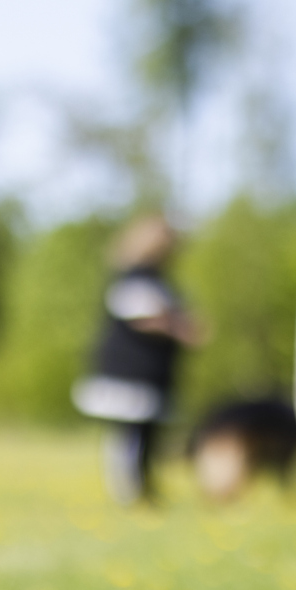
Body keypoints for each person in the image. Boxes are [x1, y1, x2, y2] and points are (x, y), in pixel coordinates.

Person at [73, 214, 204, 506]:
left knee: (146, 436)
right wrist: (181, 328)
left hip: (150, 373)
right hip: (130, 373)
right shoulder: (134, 278)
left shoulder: (157, 279)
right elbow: (144, 318)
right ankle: (129, 494)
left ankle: (144, 491)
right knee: (128, 437)